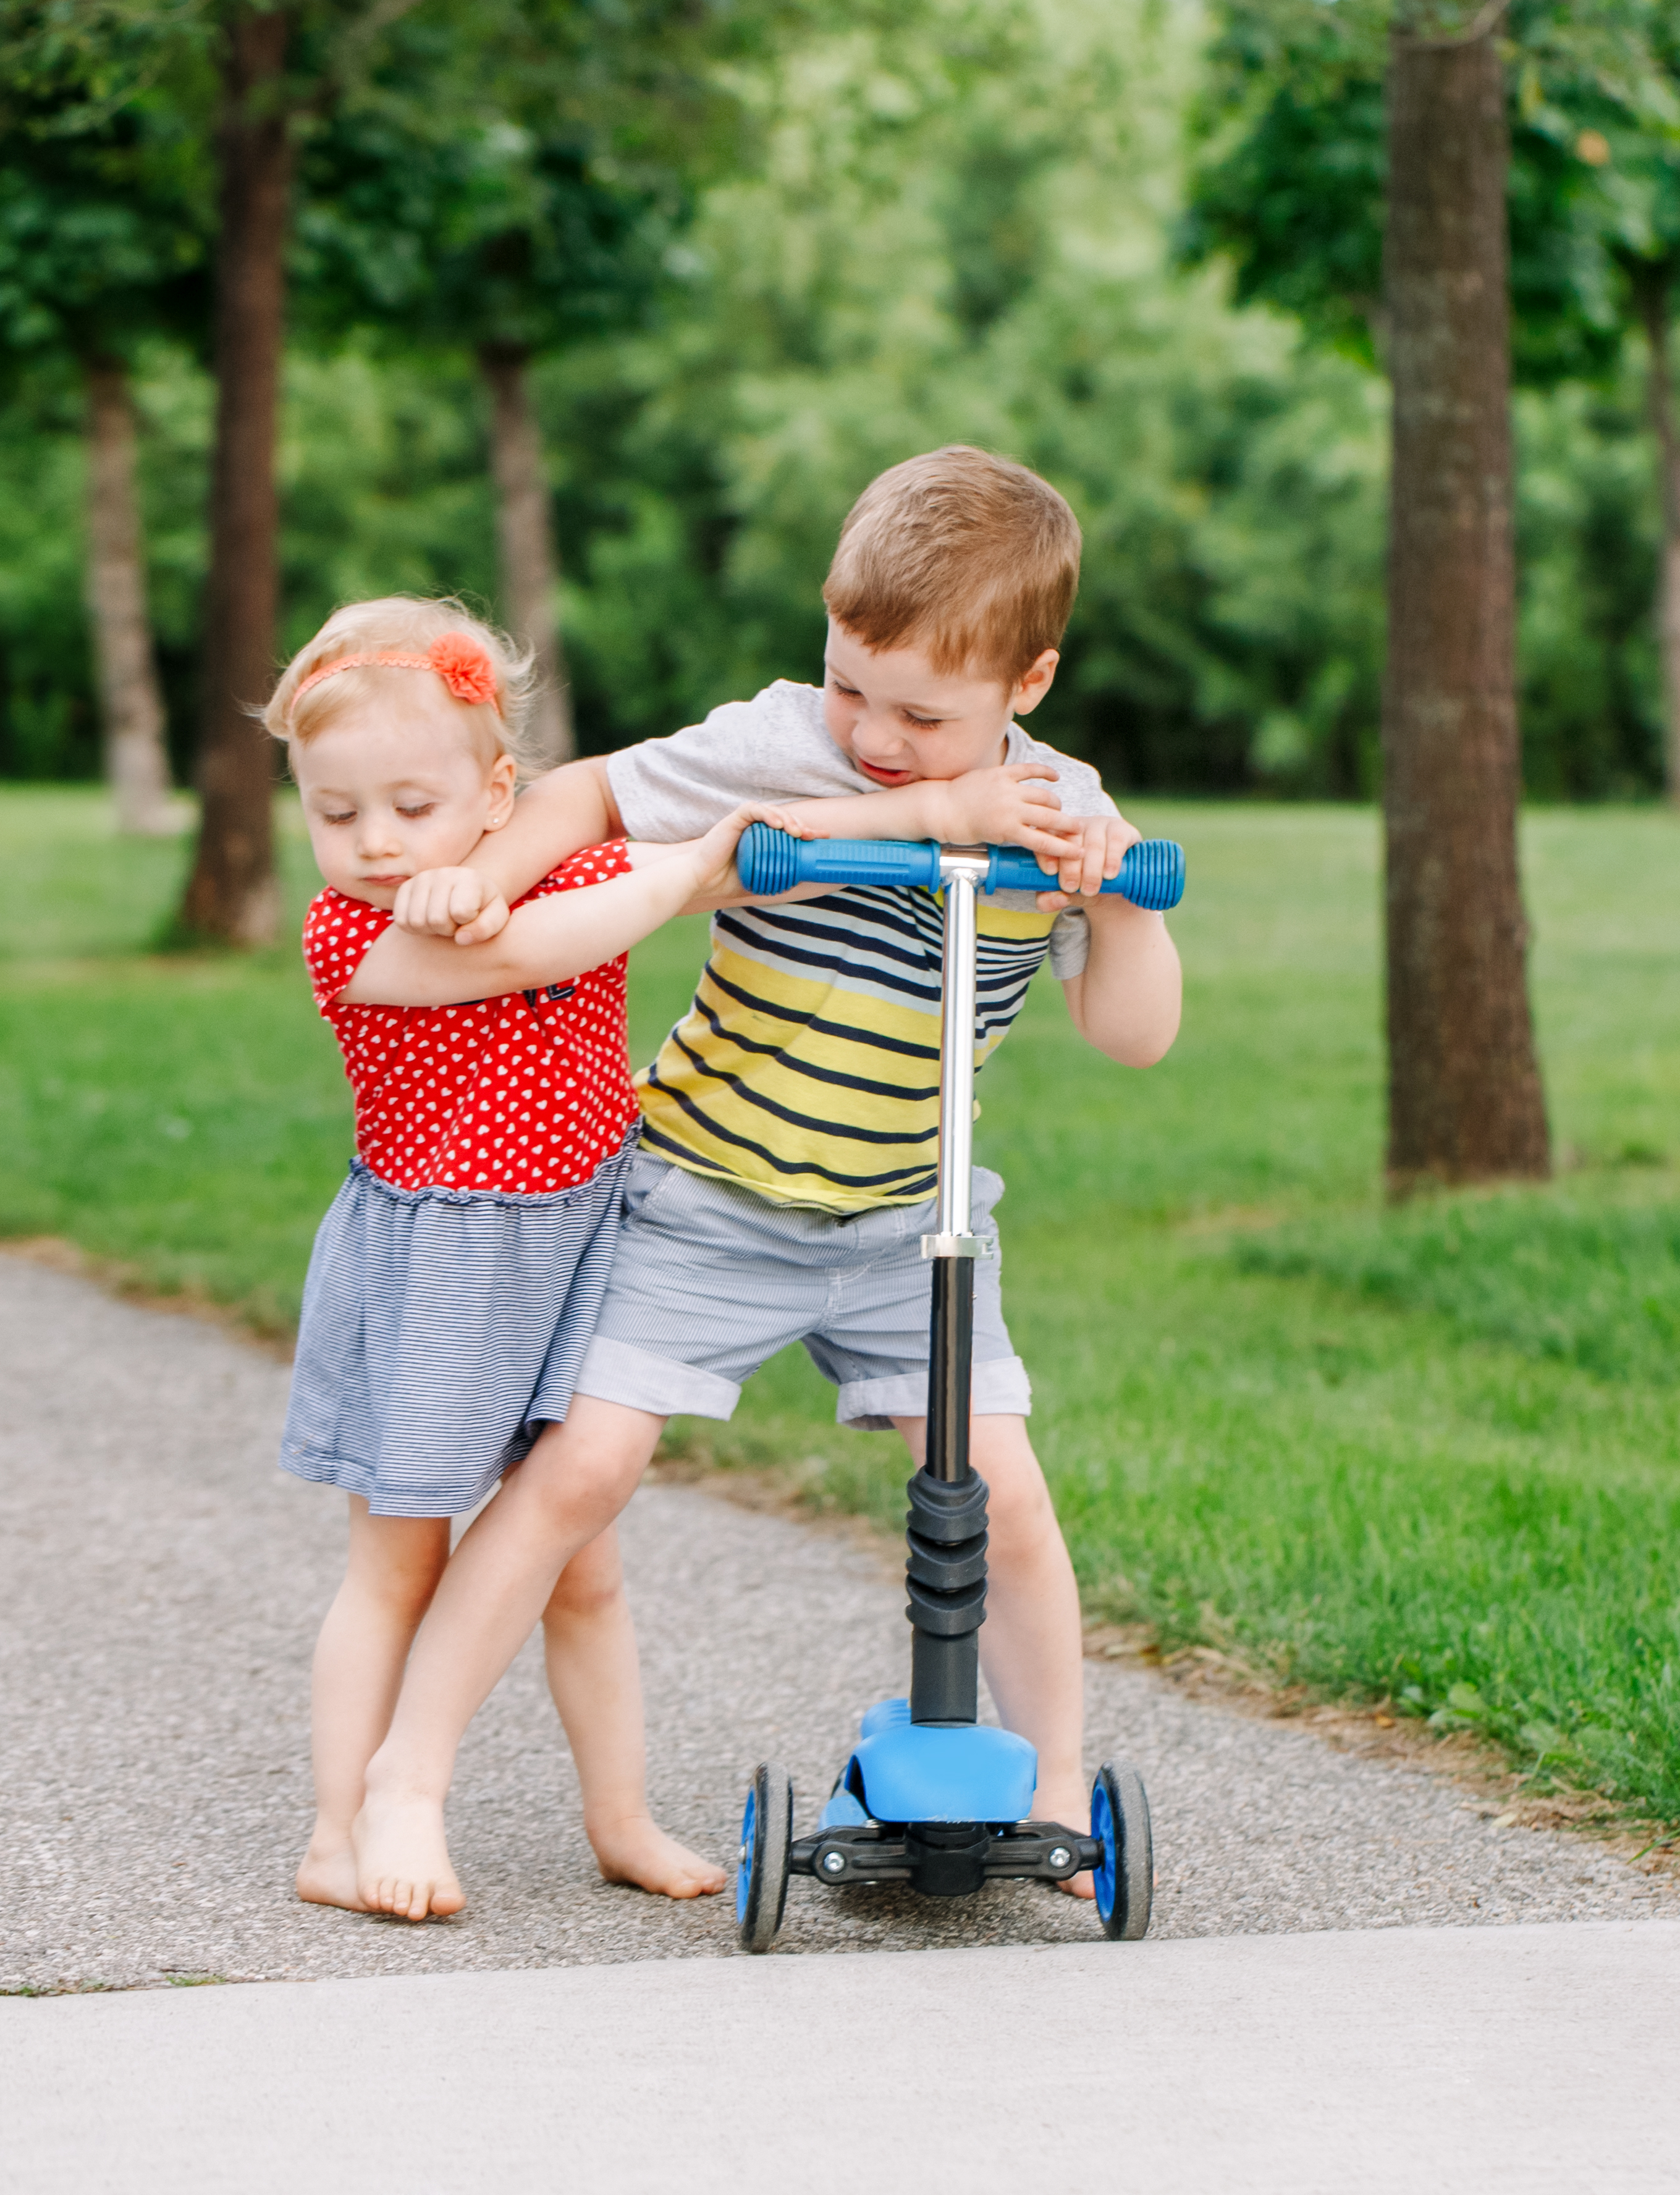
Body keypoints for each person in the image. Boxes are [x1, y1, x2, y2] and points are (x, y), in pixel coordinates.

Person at [350, 447, 1183, 1919]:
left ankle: (1055, 1797)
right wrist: (492, 865)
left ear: (1028, 684)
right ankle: (403, 1785)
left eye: (922, 715)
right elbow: (599, 791)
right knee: (582, 1473)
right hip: (707, 1195)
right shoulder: (779, 743)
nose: (870, 731)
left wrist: (1116, 903)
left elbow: (1133, 1038)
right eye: (849, 683)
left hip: (911, 1228)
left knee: (1006, 1494)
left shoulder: (1061, 810)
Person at [269, 595, 745, 1919]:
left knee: (579, 1557)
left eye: (410, 808)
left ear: (497, 793)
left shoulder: (572, 864)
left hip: (583, 1241)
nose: (369, 841)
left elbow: (639, 857)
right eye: (334, 808)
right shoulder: (349, 936)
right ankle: (334, 1830)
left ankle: (622, 1818)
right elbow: (551, 947)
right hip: (437, 1268)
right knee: (399, 1561)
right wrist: (664, 876)